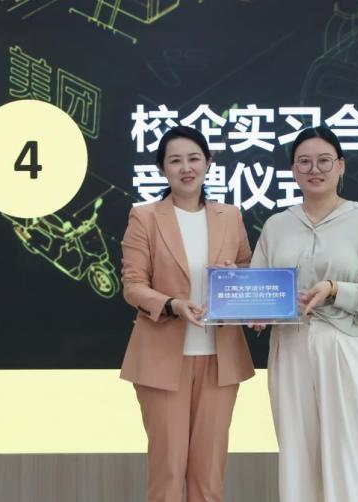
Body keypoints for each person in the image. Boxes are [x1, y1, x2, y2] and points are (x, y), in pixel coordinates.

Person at [251, 126, 358, 502]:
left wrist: (335, 290)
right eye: (304, 162)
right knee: (297, 456)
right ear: (293, 170)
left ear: (341, 166)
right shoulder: (277, 225)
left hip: (346, 347)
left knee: (348, 453)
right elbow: (257, 287)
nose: (314, 169)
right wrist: (254, 312)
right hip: (290, 347)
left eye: (324, 161)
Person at [120, 125, 256, 502]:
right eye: (175, 160)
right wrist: (173, 305)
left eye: (194, 158)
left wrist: (237, 280)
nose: (186, 168)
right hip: (163, 359)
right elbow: (133, 285)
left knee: (209, 477)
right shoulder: (144, 217)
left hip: (220, 358)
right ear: (162, 168)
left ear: (208, 163)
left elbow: (248, 270)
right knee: (167, 472)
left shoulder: (230, 216)